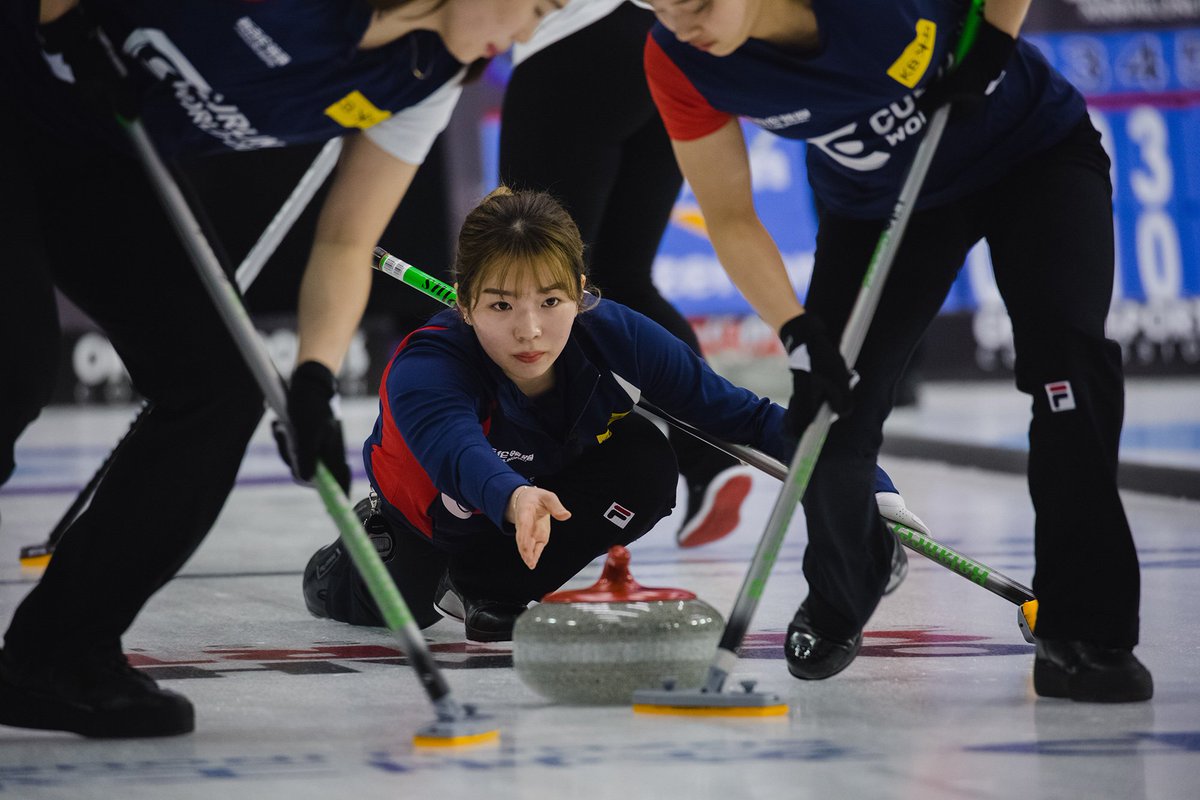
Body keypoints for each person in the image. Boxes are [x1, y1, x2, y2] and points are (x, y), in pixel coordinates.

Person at [0, 0, 561, 739]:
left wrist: (314, 380)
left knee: (220, 382)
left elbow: (344, 240)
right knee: (14, 365)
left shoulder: (426, 76)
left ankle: (58, 654)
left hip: (102, 140)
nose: (522, 35)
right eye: (532, 5)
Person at [642, 0, 1152, 701]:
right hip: (883, 207)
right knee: (824, 419)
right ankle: (847, 583)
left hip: (1031, 156)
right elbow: (729, 217)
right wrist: (796, 330)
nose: (680, 22)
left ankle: (1084, 632)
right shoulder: (676, 60)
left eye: (696, 3)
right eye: (657, 6)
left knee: (1068, 373)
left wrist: (995, 39)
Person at [301, 187, 928, 644]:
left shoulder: (616, 338)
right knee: (392, 607)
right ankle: (361, 552)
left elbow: (748, 418)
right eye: (500, 304)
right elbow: (458, 450)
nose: (529, 329)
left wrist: (864, 484)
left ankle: (490, 588)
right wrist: (514, 496)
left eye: (550, 300)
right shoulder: (427, 365)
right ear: (465, 304)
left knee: (645, 461)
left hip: (541, 506)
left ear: (580, 290)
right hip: (435, 517)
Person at [498, 0, 749, 548]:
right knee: (621, 280)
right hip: (659, 40)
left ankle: (525, 489)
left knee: (531, 281)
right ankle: (709, 458)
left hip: (572, 47)